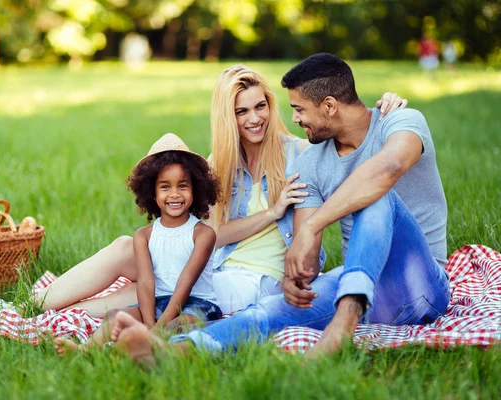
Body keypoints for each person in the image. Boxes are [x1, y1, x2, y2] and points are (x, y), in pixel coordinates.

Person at [0, 67, 407, 321]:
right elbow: (216, 234)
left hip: (260, 280)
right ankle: (24, 308)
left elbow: (353, 142)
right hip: (218, 261)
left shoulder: (299, 155)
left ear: (272, 106)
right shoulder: (217, 165)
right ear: (226, 117)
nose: (255, 119)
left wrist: (383, 108)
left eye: (261, 106)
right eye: (241, 111)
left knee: (140, 292)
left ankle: (29, 315)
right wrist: (272, 213)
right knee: (127, 252)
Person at [109, 53, 451, 363]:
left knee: (379, 195)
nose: (293, 118)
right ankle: (176, 351)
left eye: (300, 109)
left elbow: (387, 170)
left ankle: (343, 324)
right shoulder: (313, 161)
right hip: (359, 286)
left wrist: (316, 225)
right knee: (267, 310)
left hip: (421, 283)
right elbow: (305, 249)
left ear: (329, 105)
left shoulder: (401, 121)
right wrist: (294, 279)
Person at [53, 133, 222, 354]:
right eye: (165, 187)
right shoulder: (144, 236)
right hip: (157, 301)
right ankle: (85, 350)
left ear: (196, 188)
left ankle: (149, 346)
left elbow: (185, 282)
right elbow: (145, 282)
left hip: (196, 304)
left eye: (183, 186)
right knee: (116, 316)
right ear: (151, 192)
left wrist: (159, 326)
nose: (174, 194)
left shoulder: (203, 233)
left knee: (177, 325)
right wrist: (149, 320)